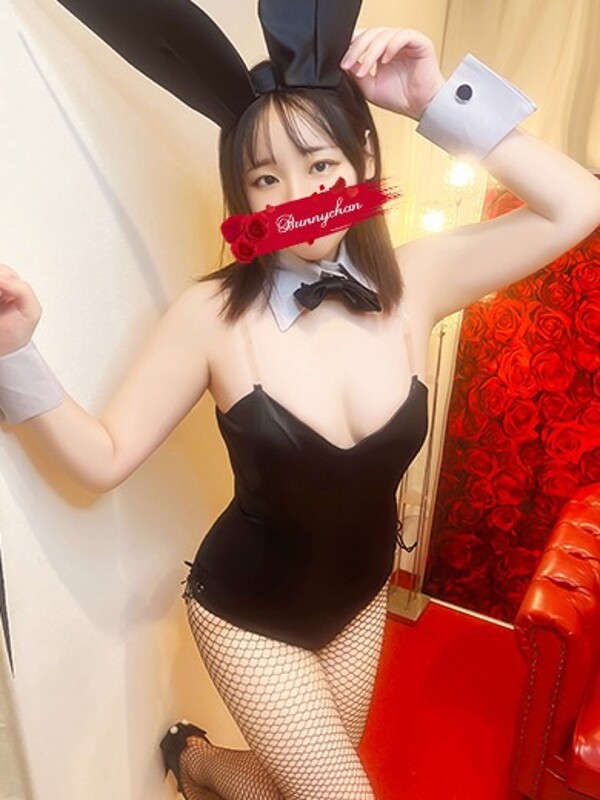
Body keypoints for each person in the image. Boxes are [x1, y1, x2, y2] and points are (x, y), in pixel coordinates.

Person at [2, 3, 600, 799]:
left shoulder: (416, 283)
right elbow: (104, 458)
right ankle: (202, 761)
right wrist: (15, 354)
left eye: (320, 165)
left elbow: (578, 204)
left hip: (361, 599)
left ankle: (196, 761)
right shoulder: (211, 316)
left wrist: (433, 99)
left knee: (296, 786)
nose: (297, 196)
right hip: (246, 615)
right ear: (244, 196)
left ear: (361, 158)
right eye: (266, 178)